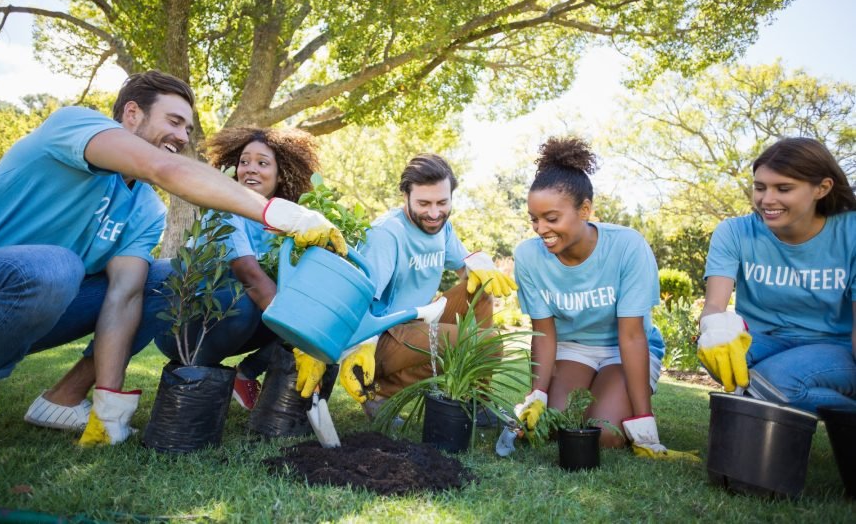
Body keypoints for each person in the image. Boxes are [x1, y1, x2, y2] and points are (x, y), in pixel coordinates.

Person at [0, 70, 345, 467]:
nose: (182, 136)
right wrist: (276, 212)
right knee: (57, 265)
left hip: (35, 304)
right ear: (131, 114)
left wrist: (109, 402)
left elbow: (124, 299)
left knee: (159, 279)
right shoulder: (73, 126)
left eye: (188, 128)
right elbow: (163, 169)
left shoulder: (144, 209)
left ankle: (64, 398)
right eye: (174, 121)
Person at [296, 153, 518, 422]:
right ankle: (379, 391)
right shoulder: (387, 235)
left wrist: (482, 266)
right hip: (380, 336)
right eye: (424, 203)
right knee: (487, 344)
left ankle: (473, 399)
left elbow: (465, 269)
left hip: (417, 323)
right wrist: (358, 347)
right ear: (405, 196)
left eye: (442, 202)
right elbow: (359, 299)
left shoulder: (441, 227)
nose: (434, 213)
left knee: (481, 289)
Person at [512, 136, 693, 460]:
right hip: (573, 348)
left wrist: (644, 426)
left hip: (623, 350)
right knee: (555, 425)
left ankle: (622, 408)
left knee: (605, 435)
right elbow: (543, 332)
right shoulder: (529, 256)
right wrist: (537, 394)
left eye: (551, 218)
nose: (540, 229)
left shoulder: (627, 247)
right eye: (534, 219)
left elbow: (633, 335)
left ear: (585, 210)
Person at [153, 126, 324, 411]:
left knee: (300, 306)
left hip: (234, 321)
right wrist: (300, 339)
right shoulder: (225, 209)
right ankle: (198, 375)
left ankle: (244, 375)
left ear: (281, 174)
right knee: (250, 300)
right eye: (244, 162)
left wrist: (314, 331)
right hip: (184, 327)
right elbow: (250, 276)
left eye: (262, 163)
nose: (250, 170)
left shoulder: (283, 223)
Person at [698, 137, 856, 413]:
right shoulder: (735, 232)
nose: (767, 200)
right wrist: (714, 332)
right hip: (763, 339)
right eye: (760, 187)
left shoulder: (850, 232)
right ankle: (768, 393)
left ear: (822, 188)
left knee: (774, 383)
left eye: (783, 188)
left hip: (834, 347)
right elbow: (714, 306)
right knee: (718, 355)